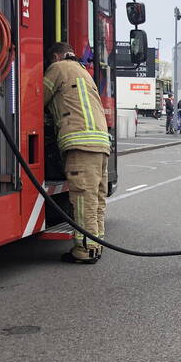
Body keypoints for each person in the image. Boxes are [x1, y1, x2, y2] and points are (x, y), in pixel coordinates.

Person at [43, 43, 111, 264]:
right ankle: (95, 245)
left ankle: (85, 250)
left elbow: (37, 99)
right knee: (97, 199)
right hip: (101, 144)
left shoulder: (58, 68)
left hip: (81, 144)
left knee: (83, 199)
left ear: (55, 56)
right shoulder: (84, 72)